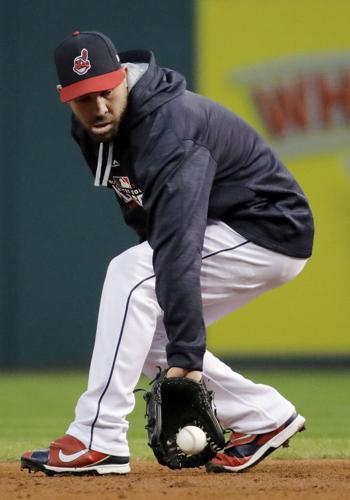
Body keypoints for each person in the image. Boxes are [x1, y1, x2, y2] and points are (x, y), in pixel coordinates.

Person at [21, 31, 313, 475]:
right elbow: (145, 213)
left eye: (105, 92)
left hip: (268, 228)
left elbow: (176, 243)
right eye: (83, 98)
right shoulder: (98, 125)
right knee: (143, 328)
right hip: (224, 226)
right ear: (65, 97)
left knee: (131, 274)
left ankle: (98, 437)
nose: (98, 106)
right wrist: (178, 347)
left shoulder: (169, 126)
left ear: (123, 77)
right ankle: (264, 416)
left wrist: (188, 361)